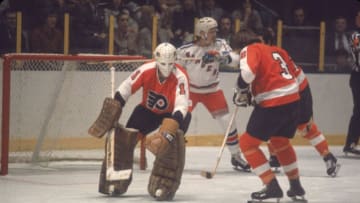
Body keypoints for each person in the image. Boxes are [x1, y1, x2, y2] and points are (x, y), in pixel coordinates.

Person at [88, 42, 192, 200]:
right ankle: (116, 180)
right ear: (156, 60)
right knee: (123, 142)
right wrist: (115, 108)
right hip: (147, 112)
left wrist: (169, 130)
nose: (167, 67)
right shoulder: (146, 69)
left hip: (172, 115)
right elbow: (126, 87)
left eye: (171, 63)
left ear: (175, 61)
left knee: (171, 146)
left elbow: (182, 105)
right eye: (163, 63)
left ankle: (164, 184)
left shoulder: (180, 76)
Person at [231, 28, 306, 202]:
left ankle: (272, 187)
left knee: (247, 144)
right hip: (293, 99)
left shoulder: (249, 49)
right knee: (280, 141)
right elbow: (295, 75)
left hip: (274, 102)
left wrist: (241, 88)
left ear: (240, 45)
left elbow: (248, 74)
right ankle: (296, 187)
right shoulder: (277, 50)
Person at [176, 17, 250, 172]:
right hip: (191, 91)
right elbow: (176, 72)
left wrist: (222, 57)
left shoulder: (220, 44)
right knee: (179, 122)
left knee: (228, 122)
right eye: (212, 31)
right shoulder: (184, 50)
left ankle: (236, 156)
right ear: (201, 33)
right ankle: (173, 155)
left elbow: (236, 60)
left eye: (215, 30)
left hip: (212, 90)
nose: (215, 33)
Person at [343, 32, 360, 155]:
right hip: (358, 77)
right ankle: (350, 144)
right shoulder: (356, 36)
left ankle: (351, 143)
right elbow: (357, 52)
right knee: (359, 110)